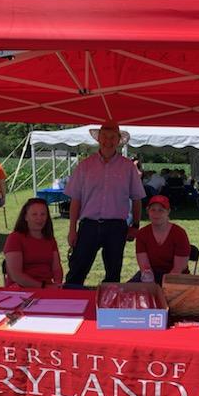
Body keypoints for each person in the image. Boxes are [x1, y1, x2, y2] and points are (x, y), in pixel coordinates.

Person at [64, 121, 146, 285]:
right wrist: (72, 229)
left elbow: (137, 198)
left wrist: (135, 225)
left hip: (116, 227)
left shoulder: (128, 167)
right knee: (76, 272)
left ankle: (108, 308)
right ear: (98, 139)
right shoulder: (85, 166)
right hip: (89, 226)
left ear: (118, 140)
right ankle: (71, 305)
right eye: (104, 137)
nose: (108, 141)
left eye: (112, 137)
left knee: (113, 274)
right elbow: (76, 199)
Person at [3, 198, 63, 288]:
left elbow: (57, 269)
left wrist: (57, 285)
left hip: (47, 288)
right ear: (26, 217)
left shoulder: (50, 239)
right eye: (34, 214)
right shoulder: (15, 238)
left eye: (43, 214)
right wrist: (44, 287)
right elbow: (16, 275)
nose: (39, 218)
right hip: (20, 290)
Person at [133, 195, 191, 284]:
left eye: (161, 210)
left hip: (177, 277)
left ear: (168, 212)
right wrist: (151, 285)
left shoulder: (179, 233)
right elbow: (145, 267)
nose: (156, 213)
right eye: (153, 210)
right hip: (152, 274)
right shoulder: (142, 234)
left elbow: (178, 269)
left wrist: (162, 289)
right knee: (126, 290)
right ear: (148, 211)